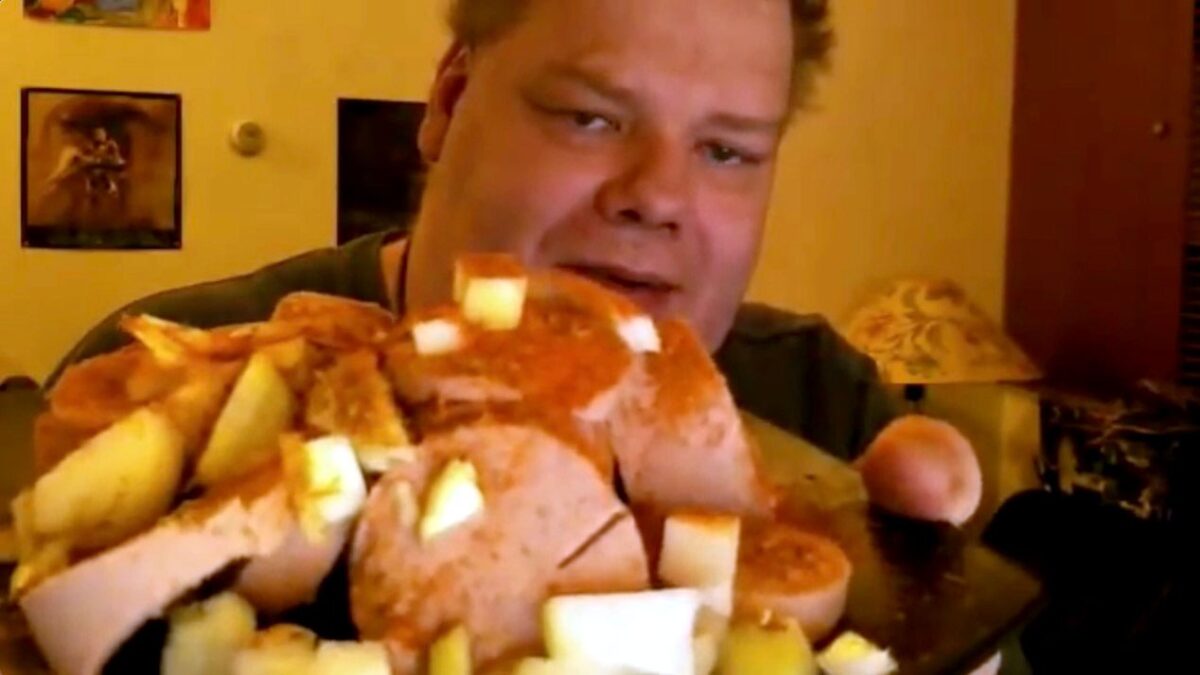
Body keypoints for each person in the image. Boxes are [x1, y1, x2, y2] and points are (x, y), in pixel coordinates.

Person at [50, 0, 972, 526]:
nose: (657, 195)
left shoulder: (825, 416)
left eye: (727, 150)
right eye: (592, 117)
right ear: (450, 102)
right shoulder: (164, 385)